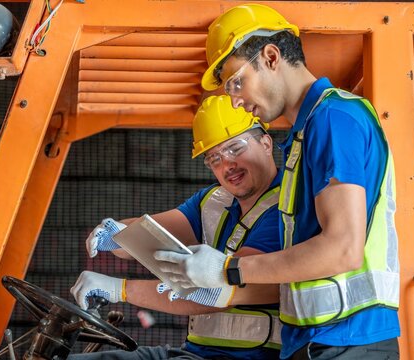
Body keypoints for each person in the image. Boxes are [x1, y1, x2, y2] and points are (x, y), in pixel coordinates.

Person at [154, 4, 400, 360]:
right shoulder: (306, 134)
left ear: (271, 56)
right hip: (320, 339)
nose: (236, 100)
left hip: (349, 339)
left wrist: (228, 269)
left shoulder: (333, 118)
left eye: (237, 82)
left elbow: (342, 248)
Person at [69, 95, 283, 359]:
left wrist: (120, 290)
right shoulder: (215, 201)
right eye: (214, 158)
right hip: (194, 352)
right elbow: (148, 234)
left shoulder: (286, 209)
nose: (227, 165)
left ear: (265, 142)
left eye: (235, 149)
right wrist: (117, 234)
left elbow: (220, 292)